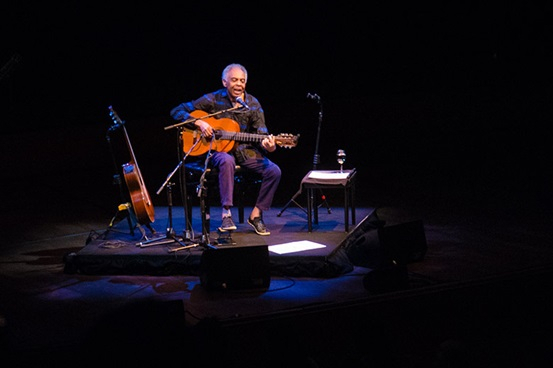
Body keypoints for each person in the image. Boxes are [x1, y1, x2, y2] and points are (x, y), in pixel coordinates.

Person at [170, 63, 281, 236]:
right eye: (234, 80)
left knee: (274, 171)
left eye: (242, 81)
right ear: (224, 82)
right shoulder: (213, 99)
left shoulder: (252, 103)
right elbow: (177, 111)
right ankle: (226, 214)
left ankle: (256, 214)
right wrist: (198, 122)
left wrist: (269, 145)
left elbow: (261, 132)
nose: (239, 84)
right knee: (226, 160)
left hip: (245, 151)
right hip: (218, 152)